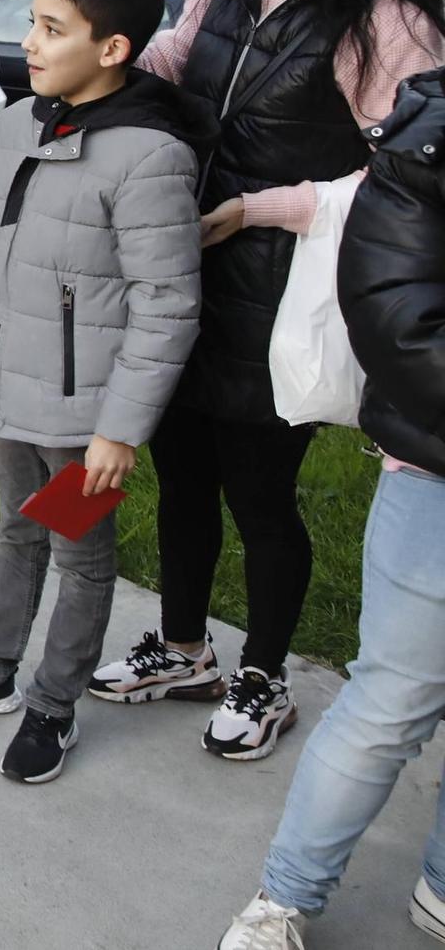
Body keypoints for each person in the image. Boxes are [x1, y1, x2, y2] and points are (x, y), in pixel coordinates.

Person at [71, 0, 445, 763]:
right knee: (181, 474)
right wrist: (84, 63)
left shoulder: (385, 21)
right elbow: (159, 72)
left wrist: (264, 207)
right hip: (181, 278)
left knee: (260, 493)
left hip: (282, 294)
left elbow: (409, 171)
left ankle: (264, 673)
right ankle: (186, 646)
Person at [0, 0, 211, 784]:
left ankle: (53, 702)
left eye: (50, 29)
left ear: (112, 49)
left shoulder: (149, 155)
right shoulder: (19, 122)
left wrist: (120, 429)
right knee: (15, 531)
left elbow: (167, 305)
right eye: (31, 24)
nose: (29, 44)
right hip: (9, 386)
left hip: (84, 422)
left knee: (79, 556)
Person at [220, 66, 445, 947]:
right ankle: (285, 898)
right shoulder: (426, 140)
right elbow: (399, 321)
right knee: (392, 700)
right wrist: (243, 209)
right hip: (436, 474)